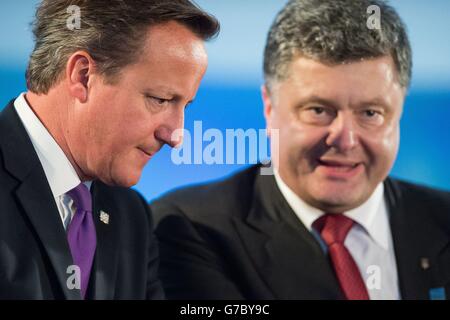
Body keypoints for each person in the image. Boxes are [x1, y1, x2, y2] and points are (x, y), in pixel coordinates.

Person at [152, 0, 450, 300]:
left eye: (370, 113)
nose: (345, 140)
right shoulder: (190, 229)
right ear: (269, 108)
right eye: (319, 110)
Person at [0, 0, 219, 299]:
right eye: (160, 99)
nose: (175, 136)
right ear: (83, 76)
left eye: (185, 105)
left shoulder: (131, 217)